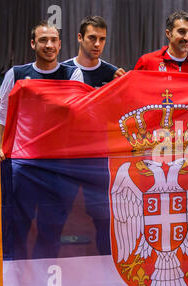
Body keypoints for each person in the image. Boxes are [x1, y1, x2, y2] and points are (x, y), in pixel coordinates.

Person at [0, 21, 84, 260]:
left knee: (51, 227)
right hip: (23, 164)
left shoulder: (72, 74)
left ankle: (43, 282)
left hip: (59, 166)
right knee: (19, 223)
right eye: (43, 40)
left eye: (53, 40)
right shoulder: (17, 74)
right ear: (33, 44)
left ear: (60, 45)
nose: (49, 45)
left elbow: (82, 110)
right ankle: (18, 278)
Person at [60, 16, 126, 255]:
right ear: (80, 38)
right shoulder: (63, 70)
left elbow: (121, 114)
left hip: (98, 157)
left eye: (102, 39)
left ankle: (107, 268)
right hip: (66, 157)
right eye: (92, 38)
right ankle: (46, 270)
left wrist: (122, 90)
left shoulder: (112, 74)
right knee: (59, 212)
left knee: (102, 216)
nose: (97, 44)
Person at [134, 10, 188, 74]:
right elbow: (132, 88)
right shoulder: (147, 62)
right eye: (182, 32)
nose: (187, 38)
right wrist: (122, 78)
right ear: (168, 34)